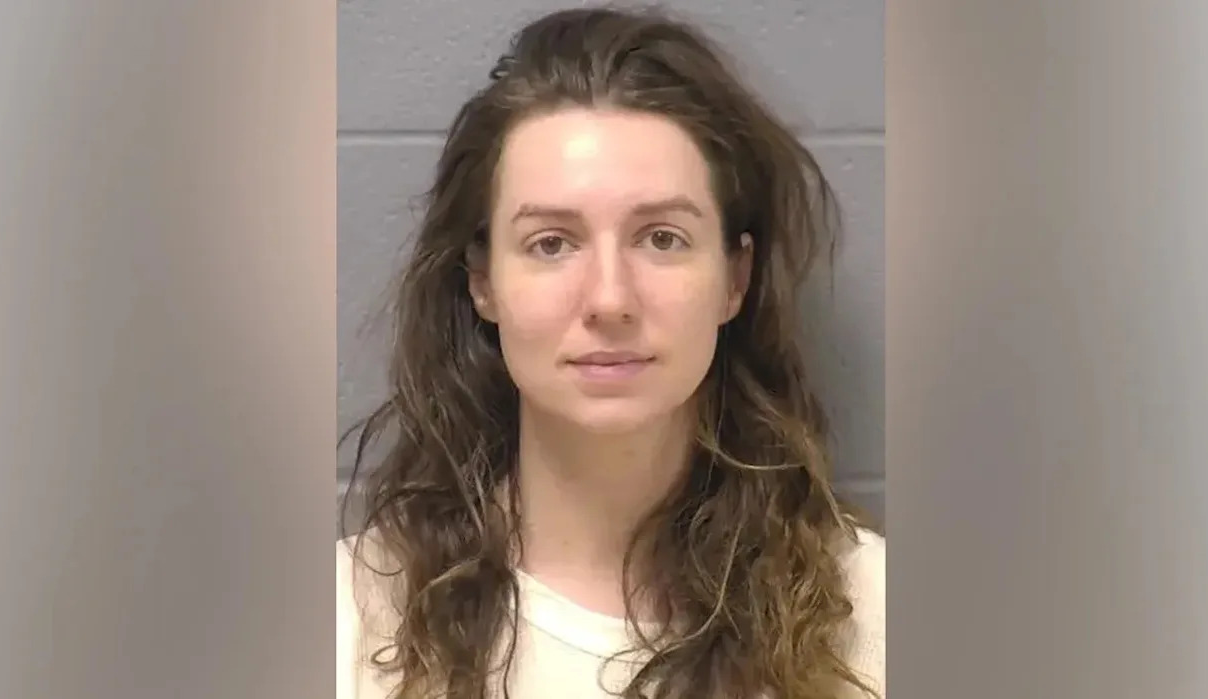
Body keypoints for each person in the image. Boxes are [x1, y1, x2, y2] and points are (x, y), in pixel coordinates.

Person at [337, 6, 884, 698]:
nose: (609, 299)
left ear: (735, 279)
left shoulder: (873, 614)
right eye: (551, 243)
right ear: (483, 282)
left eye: (661, 238)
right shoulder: (352, 622)